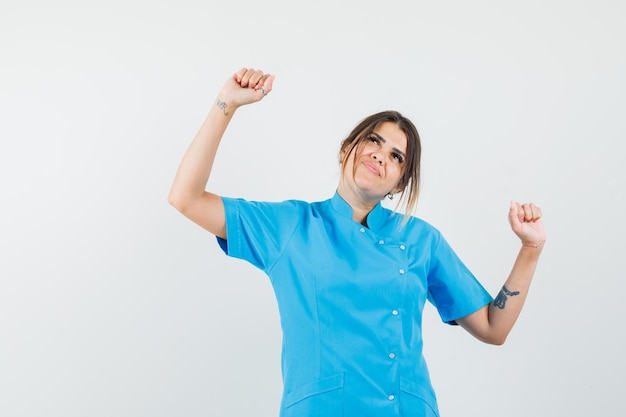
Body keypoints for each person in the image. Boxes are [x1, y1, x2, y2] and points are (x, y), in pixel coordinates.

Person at [168, 67, 546, 417]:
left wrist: (530, 250)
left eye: (396, 157)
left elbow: (493, 328)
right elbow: (185, 197)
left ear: (399, 183)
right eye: (373, 141)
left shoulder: (420, 240)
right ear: (347, 147)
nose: (380, 156)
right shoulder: (290, 225)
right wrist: (226, 104)